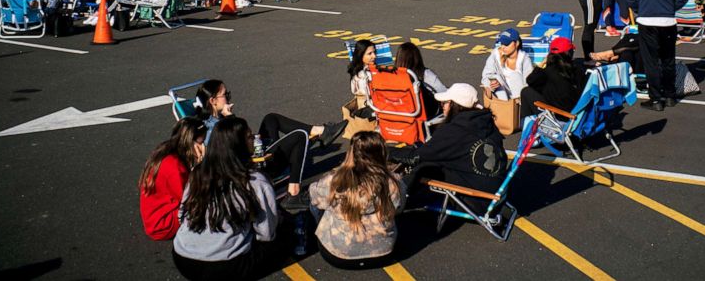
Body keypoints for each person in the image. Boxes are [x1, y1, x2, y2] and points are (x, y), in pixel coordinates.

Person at [194, 80, 346, 197]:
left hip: (254, 151)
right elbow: (237, 148)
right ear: (213, 101)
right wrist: (231, 118)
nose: (228, 97)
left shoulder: (214, 121)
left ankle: (322, 131)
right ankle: (294, 191)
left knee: (271, 119)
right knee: (300, 135)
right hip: (253, 164)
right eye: (225, 95)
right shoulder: (215, 128)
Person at [173, 116, 281, 280]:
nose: (254, 139)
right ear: (239, 145)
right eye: (250, 137)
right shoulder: (254, 180)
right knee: (285, 235)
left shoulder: (199, 173)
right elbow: (266, 234)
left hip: (182, 258)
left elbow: (182, 214)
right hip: (225, 266)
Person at [308, 131, 406, 270]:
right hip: (382, 253)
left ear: (351, 153)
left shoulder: (335, 181)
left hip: (339, 255)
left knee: (319, 204)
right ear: (382, 153)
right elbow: (399, 208)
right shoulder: (393, 181)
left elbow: (314, 198)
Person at [394, 83, 506, 202]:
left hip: (476, 199)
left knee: (425, 167)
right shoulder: (485, 122)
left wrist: (385, 151)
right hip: (494, 188)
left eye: (445, 102)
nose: (442, 106)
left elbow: (417, 156)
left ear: (454, 105)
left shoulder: (455, 130)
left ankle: (398, 199)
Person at [624, 0, 689, 112]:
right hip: (667, 20)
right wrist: (670, 7)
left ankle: (656, 98)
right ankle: (669, 95)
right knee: (668, 59)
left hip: (647, 20)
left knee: (651, 60)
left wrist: (640, 8)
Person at [139, 117, 207, 241]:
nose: (204, 146)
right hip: (163, 223)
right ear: (190, 141)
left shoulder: (167, 150)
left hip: (157, 215)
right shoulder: (174, 166)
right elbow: (191, 197)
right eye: (201, 142)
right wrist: (201, 166)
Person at [519, 37, 586, 120]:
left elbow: (530, 81)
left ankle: (525, 124)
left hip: (558, 115)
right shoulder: (578, 70)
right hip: (576, 111)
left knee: (526, 91)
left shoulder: (548, 71)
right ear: (569, 53)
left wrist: (542, 63)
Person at [394, 42, 447, 118]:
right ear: (417, 59)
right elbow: (443, 92)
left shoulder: (392, 76)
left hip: (397, 112)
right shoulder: (425, 75)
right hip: (423, 114)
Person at [481, 28, 533, 100]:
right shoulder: (495, 55)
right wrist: (491, 84)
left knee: (515, 76)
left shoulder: (524, 58)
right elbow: (486, 75)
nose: (503, 47)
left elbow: (529, 82)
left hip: (519, 95)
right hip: (500, 95)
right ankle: (505, 106)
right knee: (496, 78)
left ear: (517, 43)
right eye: (502, 44)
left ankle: (516, 105)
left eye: (506, 44)